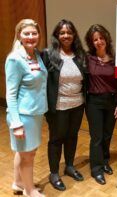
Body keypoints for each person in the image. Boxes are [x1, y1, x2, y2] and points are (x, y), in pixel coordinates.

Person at [41, 19, 86, 191]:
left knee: (72, 137)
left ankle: (69, 166)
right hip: (58, 107)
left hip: (77, 105)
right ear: (57, 35)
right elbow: (41, 82)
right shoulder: (49, 54)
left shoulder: (80, 55)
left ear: (74, 35)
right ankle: (54, 173)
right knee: (56, 140)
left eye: (69, 32)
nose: (66, 35)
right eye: (62, 33)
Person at [5, 19, 47, 197]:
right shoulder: (15, 59)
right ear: (19, 35)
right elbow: (11, 94)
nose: (31, 37)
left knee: (25, 152)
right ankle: (29, 191)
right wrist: (16, 123)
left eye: (34, 33)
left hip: (35, 113)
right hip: (23, 116)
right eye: (26, 33)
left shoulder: (36, 54)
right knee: (27, 155)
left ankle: (19, 182)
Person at [84, 24, 117, 185]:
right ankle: (96, 169)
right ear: (91, 42)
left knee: (107, 134)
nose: (99, 41)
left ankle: (105, 161)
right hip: (94, 102)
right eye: (95, 39)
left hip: (112, 102)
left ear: (106, 39)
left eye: (101, 38)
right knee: (97, 137)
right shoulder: (88, 58)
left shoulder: (116, 60)